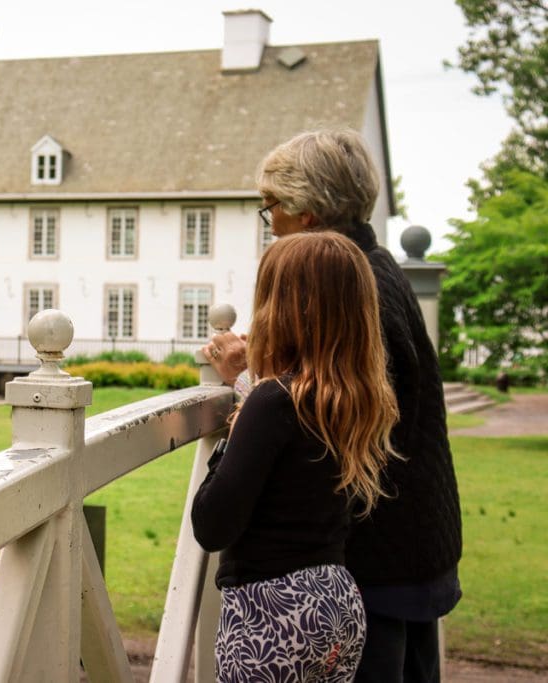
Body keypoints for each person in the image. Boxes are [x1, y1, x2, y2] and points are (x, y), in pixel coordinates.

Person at [205, 129, 462, 683]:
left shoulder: (364, 283)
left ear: (308, 213)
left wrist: (254, 380)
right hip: (408, 549)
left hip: (379, 561)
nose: (269, 223)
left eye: (270, 207)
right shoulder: (376, 270)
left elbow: (327, 417)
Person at [191, 231, 399, 681]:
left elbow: (212, 525)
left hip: (273, 612)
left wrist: (232, 433)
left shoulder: (271, 402)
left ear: (280, 310)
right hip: (338, 601)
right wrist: (247, 383)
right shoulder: (354, 401)